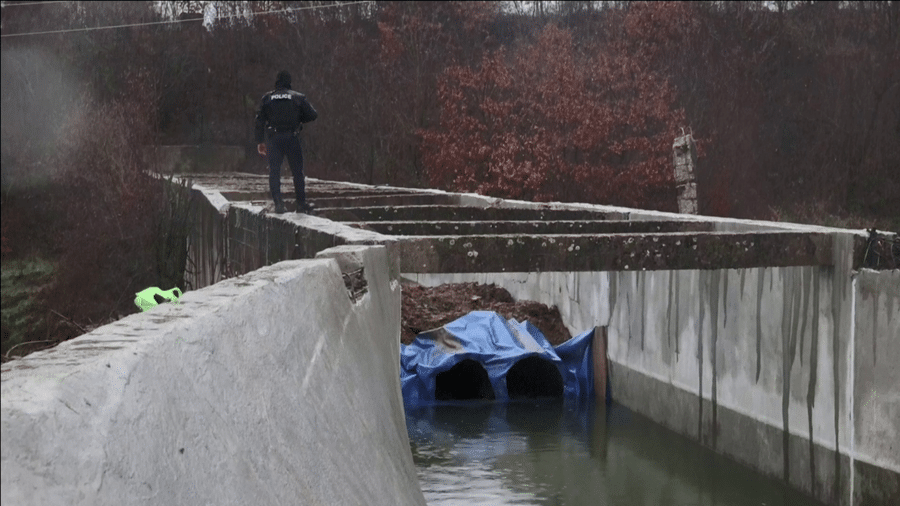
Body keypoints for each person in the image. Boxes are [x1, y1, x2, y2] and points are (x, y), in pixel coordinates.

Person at [255, 70, 318, 213]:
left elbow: (259, 121)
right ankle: (301, 204)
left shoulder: (267, 98)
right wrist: (299, 119)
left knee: (274, 172)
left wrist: (260, 141)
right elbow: (313, 114)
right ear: (289, 82)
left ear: (276, 82)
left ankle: (278, 203)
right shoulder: (298, 97)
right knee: (297, 172)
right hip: (292, 137)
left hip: (274, 139)